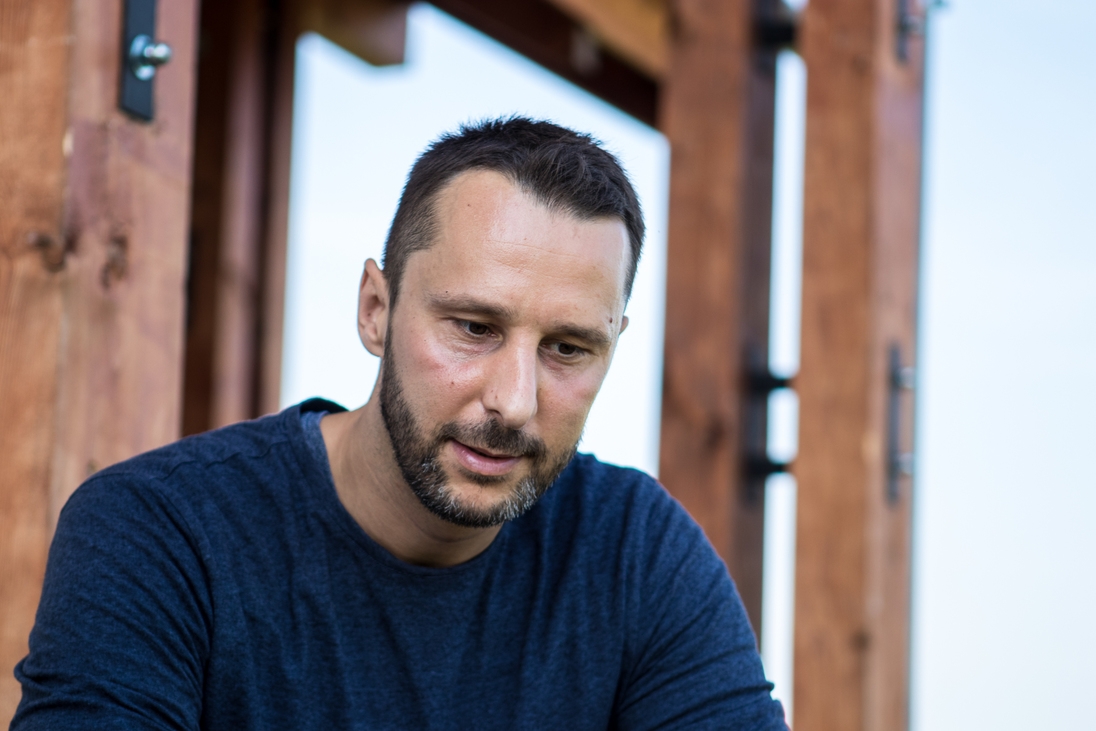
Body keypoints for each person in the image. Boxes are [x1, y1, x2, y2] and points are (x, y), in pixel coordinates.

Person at [12, 117, 787, 730]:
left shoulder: (637, 553)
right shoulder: (164, 531)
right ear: (376, 309)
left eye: (568, 347)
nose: (515, 401)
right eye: (474, 328)